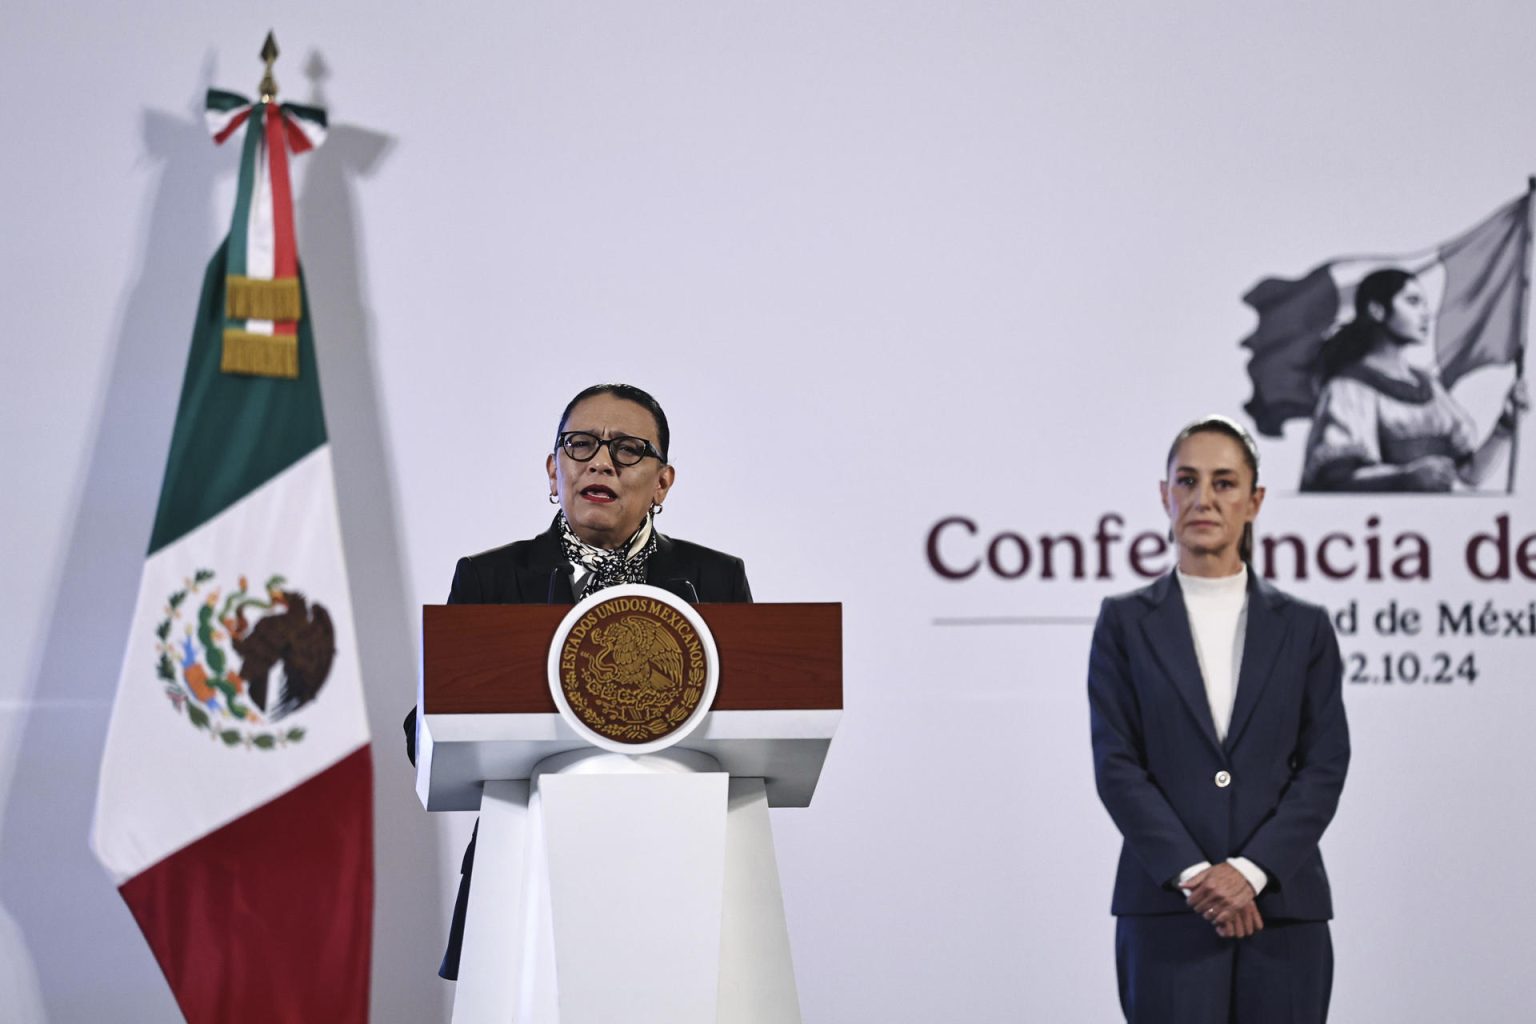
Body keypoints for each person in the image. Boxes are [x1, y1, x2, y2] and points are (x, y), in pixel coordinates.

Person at [403, 382, 752, 980]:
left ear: (663, 481)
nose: (600, 462)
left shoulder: (711, 579)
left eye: (628, 449)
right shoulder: (490, 579)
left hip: (677, 862)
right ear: (553, 467)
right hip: (525, 860)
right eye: (581, 444)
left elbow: (754, 712)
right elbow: (427, 727)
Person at [1089, 414, 1350, 1023]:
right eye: (1187, 480)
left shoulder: (1305, 628)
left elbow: (1324, 765)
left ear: (1255, 500)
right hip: (1168, 913)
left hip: (1282, 910)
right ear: (1164, 495)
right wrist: (1197, 877)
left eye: (1225, 483)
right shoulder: (1124, 623)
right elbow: (1117, 764)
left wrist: (1251, 873)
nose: (1204, 498)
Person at [1301, 267, 1529, 491]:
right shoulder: (1348, 387)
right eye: (1412, 301)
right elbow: (1336, 479)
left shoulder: (1428, 386)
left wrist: (1505, 425)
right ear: (1377, 310)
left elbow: (1469, 475)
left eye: (1424, 303)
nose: (1425, 314)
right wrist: (1405, 477)